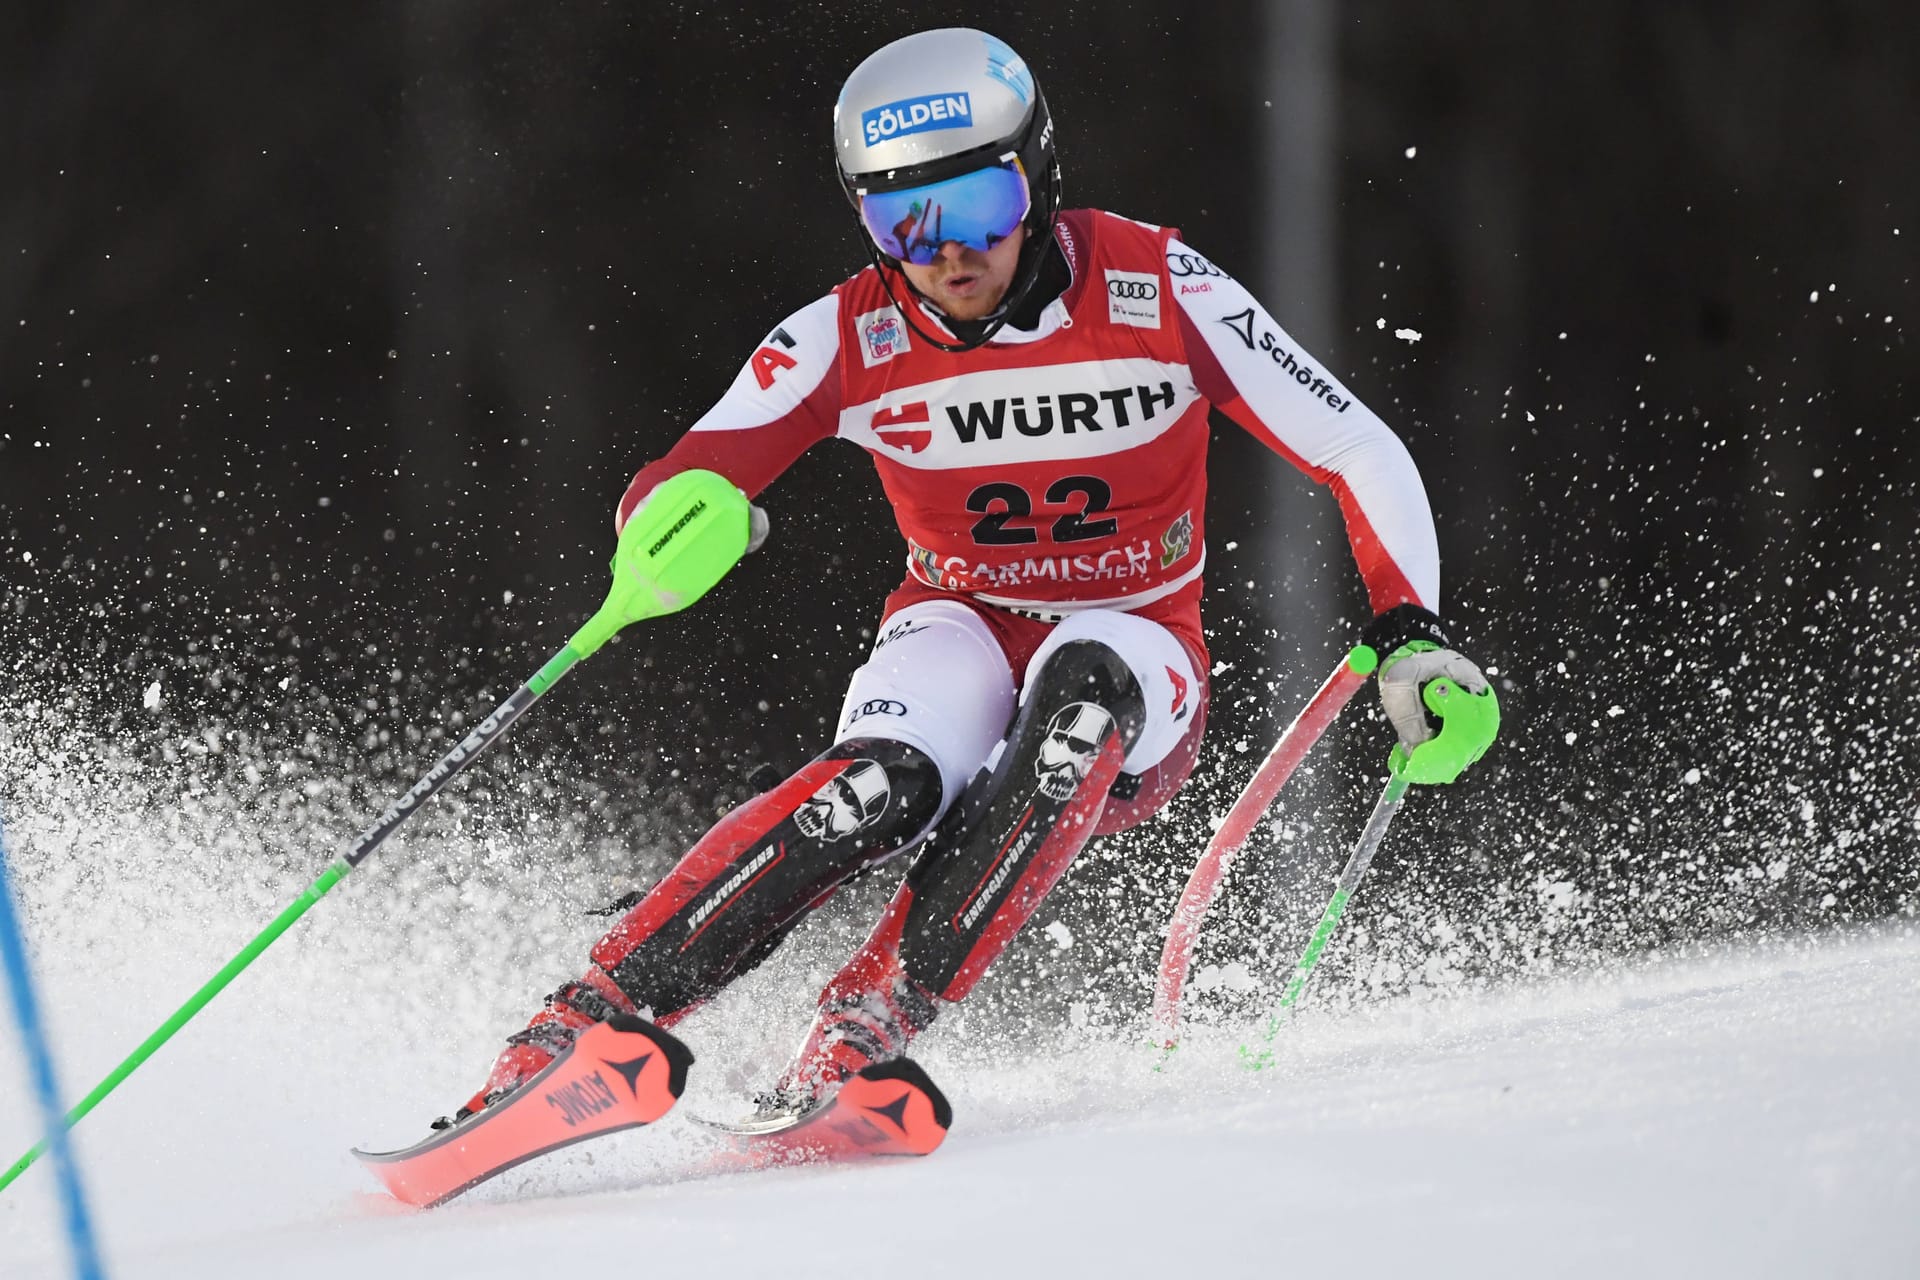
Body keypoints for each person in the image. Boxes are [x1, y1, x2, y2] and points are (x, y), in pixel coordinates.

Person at [447, 26, 1498, 1124]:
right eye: (904, 222)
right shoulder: (848, 334)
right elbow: (684, 474)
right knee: (880, 785)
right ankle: (582, 1019)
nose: (948, 255)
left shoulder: (1156, 285)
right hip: (956, 621)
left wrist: (1409, 627)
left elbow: (1353, 444)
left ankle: (864, 1021)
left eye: (980, 210)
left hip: (1137, 633)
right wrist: (678, 524)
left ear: (1039, 185)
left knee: (1079, 708)